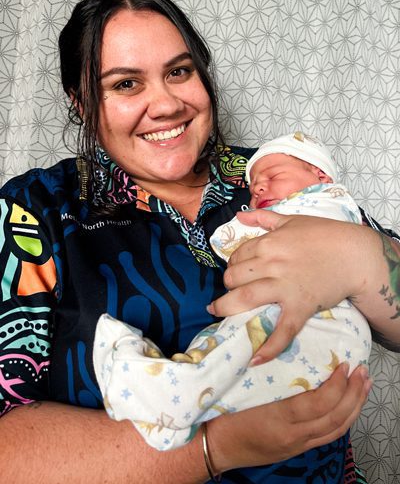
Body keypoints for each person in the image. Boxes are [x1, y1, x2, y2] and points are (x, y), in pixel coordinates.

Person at [0, 0, 398, 484]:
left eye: (178, 71)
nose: (165, 104)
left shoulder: (273, 175)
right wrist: (213, 446)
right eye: (126, 84)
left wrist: (360, 258)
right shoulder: (36, 212)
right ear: (80, 103)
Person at [93, 131, 371, 452]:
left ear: (320, 175)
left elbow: (226, 241)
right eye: (253, 187)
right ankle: (176, 422)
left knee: (223, 358)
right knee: (251, 388)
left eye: (273, 176)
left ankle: (173, 400)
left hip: (311, 319)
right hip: (336, 348)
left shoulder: (324, 202)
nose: (259, 188)